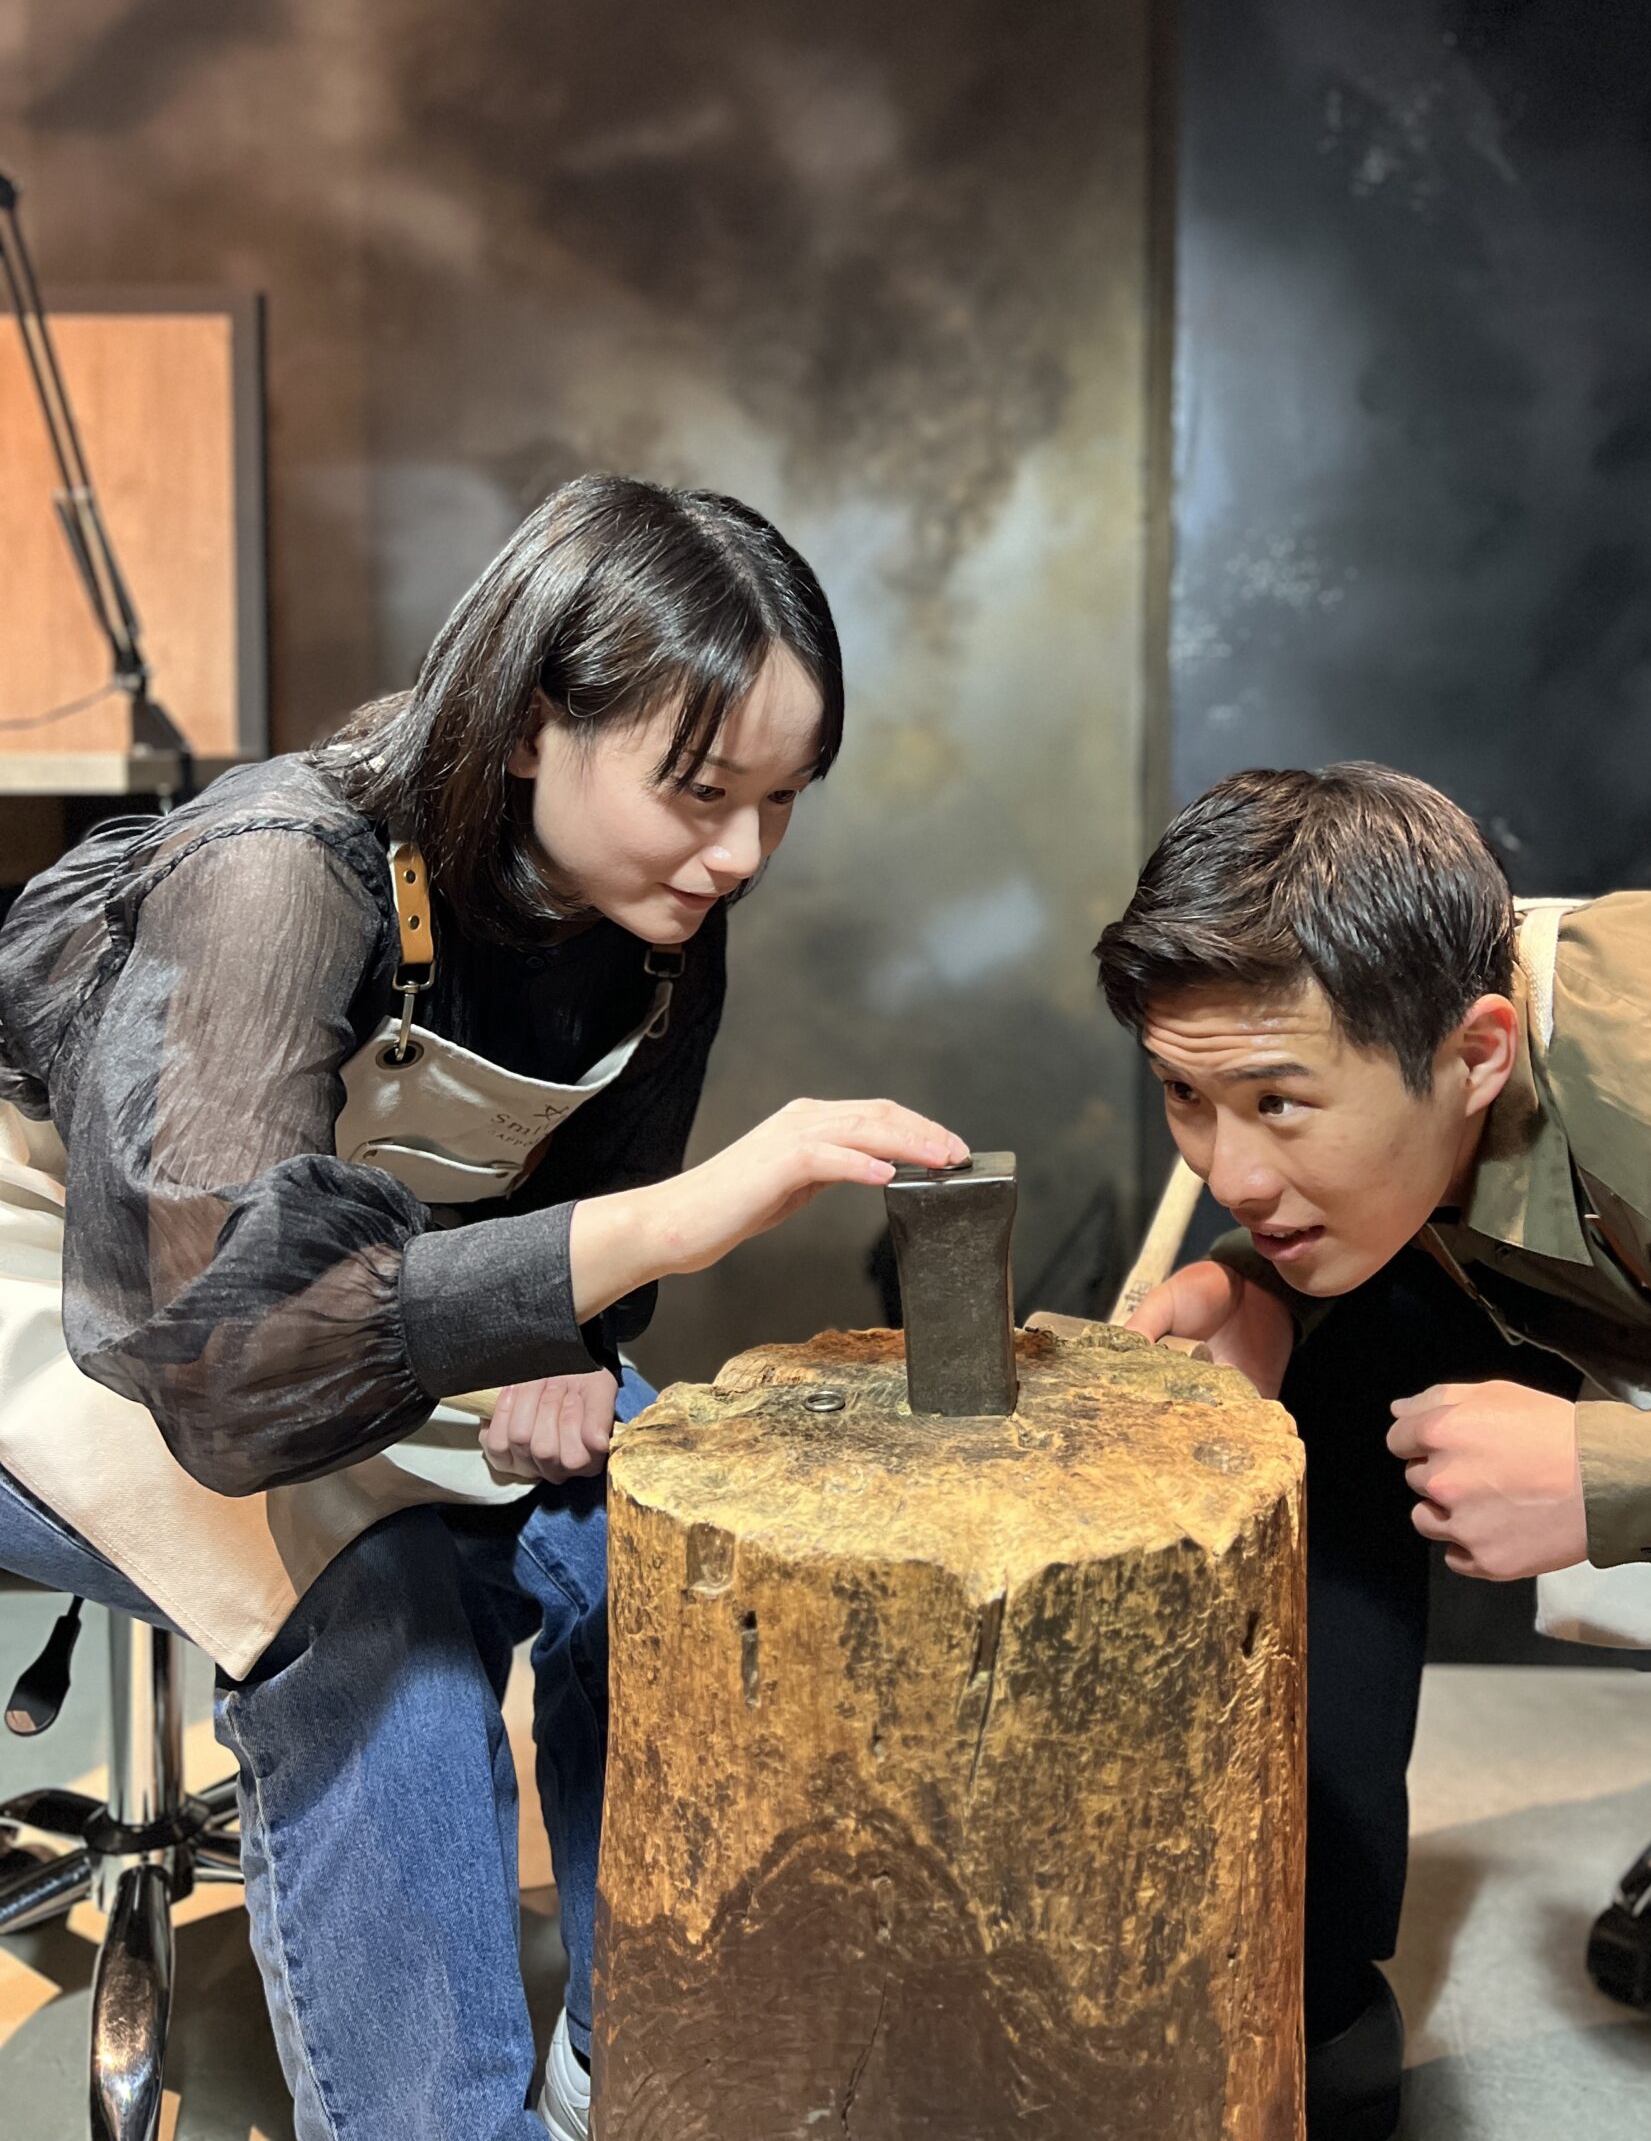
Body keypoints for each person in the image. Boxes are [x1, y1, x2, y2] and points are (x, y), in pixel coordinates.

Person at [0, 475, 967, 2141]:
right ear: (530, 723)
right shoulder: (278, 871)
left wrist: (574, 1347)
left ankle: (644, 2067)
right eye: (700, 790)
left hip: (357, 1291)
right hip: (100, 1299)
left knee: (672, 1527)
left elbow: (569, 1217)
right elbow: (227, 1352)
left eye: (781, 801)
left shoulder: (662, 913)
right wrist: (664, 1228)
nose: (742, 852)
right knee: (380, 1602)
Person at [1097, 761, 1651, 2141]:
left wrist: (1621, 1480)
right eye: (1186, 1095)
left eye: (1279, 1104)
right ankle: (1309, 2011)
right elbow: (1384, 1190)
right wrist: (1269, 1291)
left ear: (1478, 1053)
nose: (1229, 1170)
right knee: (1334, 1358)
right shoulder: (1418, 1023)